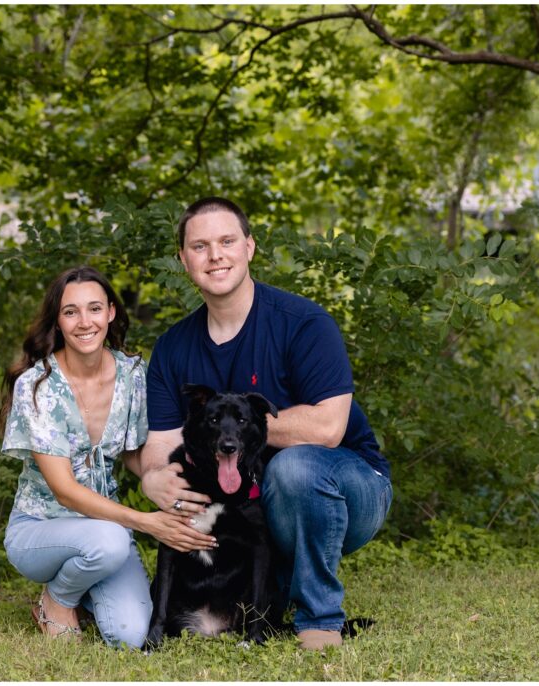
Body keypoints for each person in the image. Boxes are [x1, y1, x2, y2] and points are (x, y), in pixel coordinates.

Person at [140, 198, 393, 650]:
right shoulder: (173, 347)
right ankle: (262, 599)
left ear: (250, 247)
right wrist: (156, 478)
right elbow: (161, 444)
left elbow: (328, 427)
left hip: (351, 488)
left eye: (227, 241)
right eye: (200, 245)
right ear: (183, 259)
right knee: (248, 512)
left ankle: (320, 619)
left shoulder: (304, 324)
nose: (215, 255)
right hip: (257, 506)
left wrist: (225, 429)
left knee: (292, 469)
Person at [0, 265, 216, 648]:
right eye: (71, 312)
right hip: (40, 529)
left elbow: (135, 454)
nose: (85, 322)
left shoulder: (132, 374)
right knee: (111, 542)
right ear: (58, 322)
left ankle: (83, 587)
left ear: (111, 312)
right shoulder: (39, 386)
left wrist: (166, 482)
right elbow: (64, 491)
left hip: (105, 526)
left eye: (95, 309)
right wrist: (147, 522)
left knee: (132, 636)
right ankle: (58, 598)